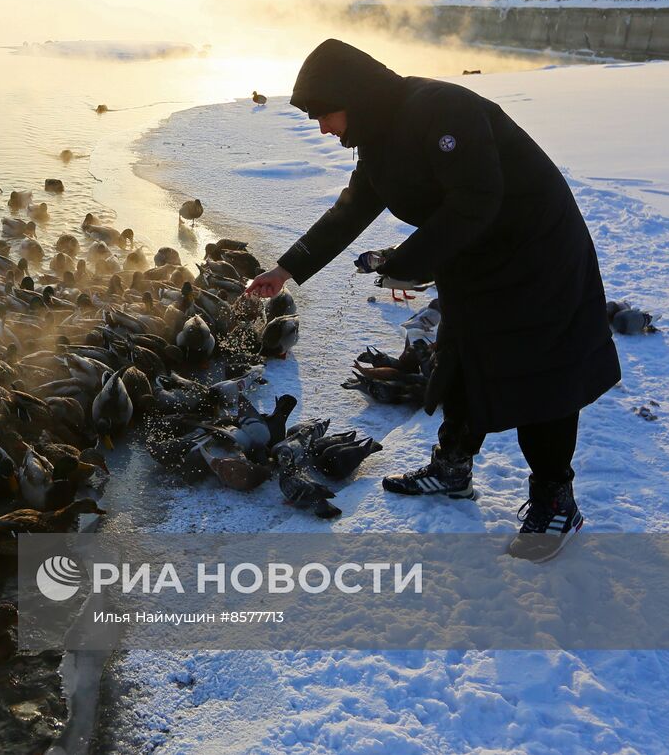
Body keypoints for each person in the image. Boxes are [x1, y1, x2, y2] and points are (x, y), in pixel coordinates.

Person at [248, 40, 620, 562]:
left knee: (543, 374)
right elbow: (350, 211)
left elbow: (478, 198)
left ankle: (556, 499)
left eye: (325, 114)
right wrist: (287, 268)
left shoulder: (441, 109)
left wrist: (407, 262)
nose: (323, 128)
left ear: (353, 96)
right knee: (462, 353)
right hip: (474, 252)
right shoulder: (378, 137)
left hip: (537, 251)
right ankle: (452, 468)